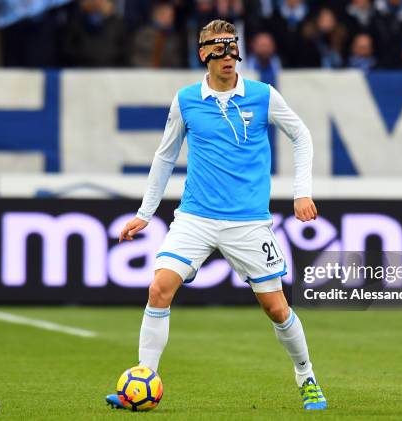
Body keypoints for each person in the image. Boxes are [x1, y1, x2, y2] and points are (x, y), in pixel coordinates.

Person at [106, 19, 327, 411]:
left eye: (232, 47)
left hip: (248, 222)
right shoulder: (187, 99)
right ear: (203, 55)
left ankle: (306, 376)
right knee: (159, 288)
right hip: (195, 218)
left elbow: (302, 135)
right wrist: (146, 212)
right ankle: (143, 377)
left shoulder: (262, 95)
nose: (228, 56)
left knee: (276, 308)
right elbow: (165, 155)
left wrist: (301, 192)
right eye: (218, 48)